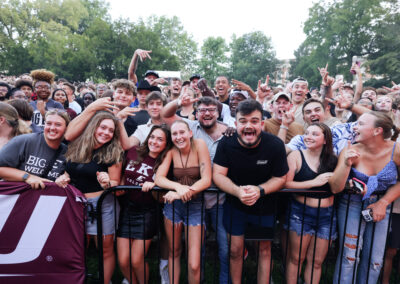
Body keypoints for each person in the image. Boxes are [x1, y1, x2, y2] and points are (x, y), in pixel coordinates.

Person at [213, 100, 288, 284]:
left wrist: (260, 190)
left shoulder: (275, 145)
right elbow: (218, 175)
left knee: (264, 250)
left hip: (264, 208)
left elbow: (281, 178)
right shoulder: (226, 143)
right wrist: (237, 191)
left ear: (262, 124)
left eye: (254, 121)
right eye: (243, 121)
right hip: (234, 207)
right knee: (235, 250)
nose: (249, 126)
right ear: (236, 124)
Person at [162, 95, 232, 283]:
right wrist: (179, 101)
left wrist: (180, 191)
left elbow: (207, 178)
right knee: (190, 253)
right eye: (202, 110)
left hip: (218, 199)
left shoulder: (229, 132)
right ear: (196, 113)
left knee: (226, 248)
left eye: (211, 110)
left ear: (219, 112)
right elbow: (165, 114)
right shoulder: (189, 128)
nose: (207, 113)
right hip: (193, 201)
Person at [329, 111, 400, 284]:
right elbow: (335, 187)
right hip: (351, 204)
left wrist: (383, 202)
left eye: (360, 124)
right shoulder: (349, 148)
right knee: (349, 256)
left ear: (377, 131)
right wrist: (346, 164)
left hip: (383, 205)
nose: (354, 127)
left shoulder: (396, 150)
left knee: (375, 260)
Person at [57, 111, 124, 284]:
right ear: (94, 127)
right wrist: (63, 178)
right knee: (78, 248)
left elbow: (116, 184)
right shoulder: (77, 145)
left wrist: (108, 183)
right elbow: (69, 170)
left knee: (105, 249)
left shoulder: (114, 151)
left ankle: (105, 281)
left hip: (102, 206)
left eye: (111, 130)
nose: (106, 133)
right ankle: (79, 279)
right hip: (75, 205)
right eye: (103, 127)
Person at [155, 120, 212, 284]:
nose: (179, 137)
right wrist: (178, 187)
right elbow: (159, 178)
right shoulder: (171, 150)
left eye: (182, 132)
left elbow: (207, 179)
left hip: (195, 205)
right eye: (175, 134)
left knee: (194, 263)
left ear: (190, 133)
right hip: (174, 206)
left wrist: (182, 193)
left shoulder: (199, 145)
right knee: (174, 251)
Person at [117, 125, 172, 284]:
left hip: (147, 211)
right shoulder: (134, 151)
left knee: (136, 260)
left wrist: (154, 185)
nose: (154, 142)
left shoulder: (164, 159)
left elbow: (162, 193)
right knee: (123, 260)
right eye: (153, 137)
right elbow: (123, 173)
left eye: (160, 139)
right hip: (127, 208)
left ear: (166, 144)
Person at [285, 123, 338, 284]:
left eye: (315, 134)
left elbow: (339, 185)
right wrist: (313, 183)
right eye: (307, 133)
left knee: (316, 261)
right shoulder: (295, 156)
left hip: (327, 215)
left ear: (325, 140)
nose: (308, 136)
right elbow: (286, 184)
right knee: (296, 258)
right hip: (300, 213)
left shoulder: (333, 160)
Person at [0, 109, 69, 188]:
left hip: (45, 198)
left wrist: (64, 178)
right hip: (17, 196)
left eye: (58, 125)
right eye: (49, 123)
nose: (52, 128)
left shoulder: (67, 151)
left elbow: (69, 176)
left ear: (66, 128)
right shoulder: (24, 141)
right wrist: (27, 177)